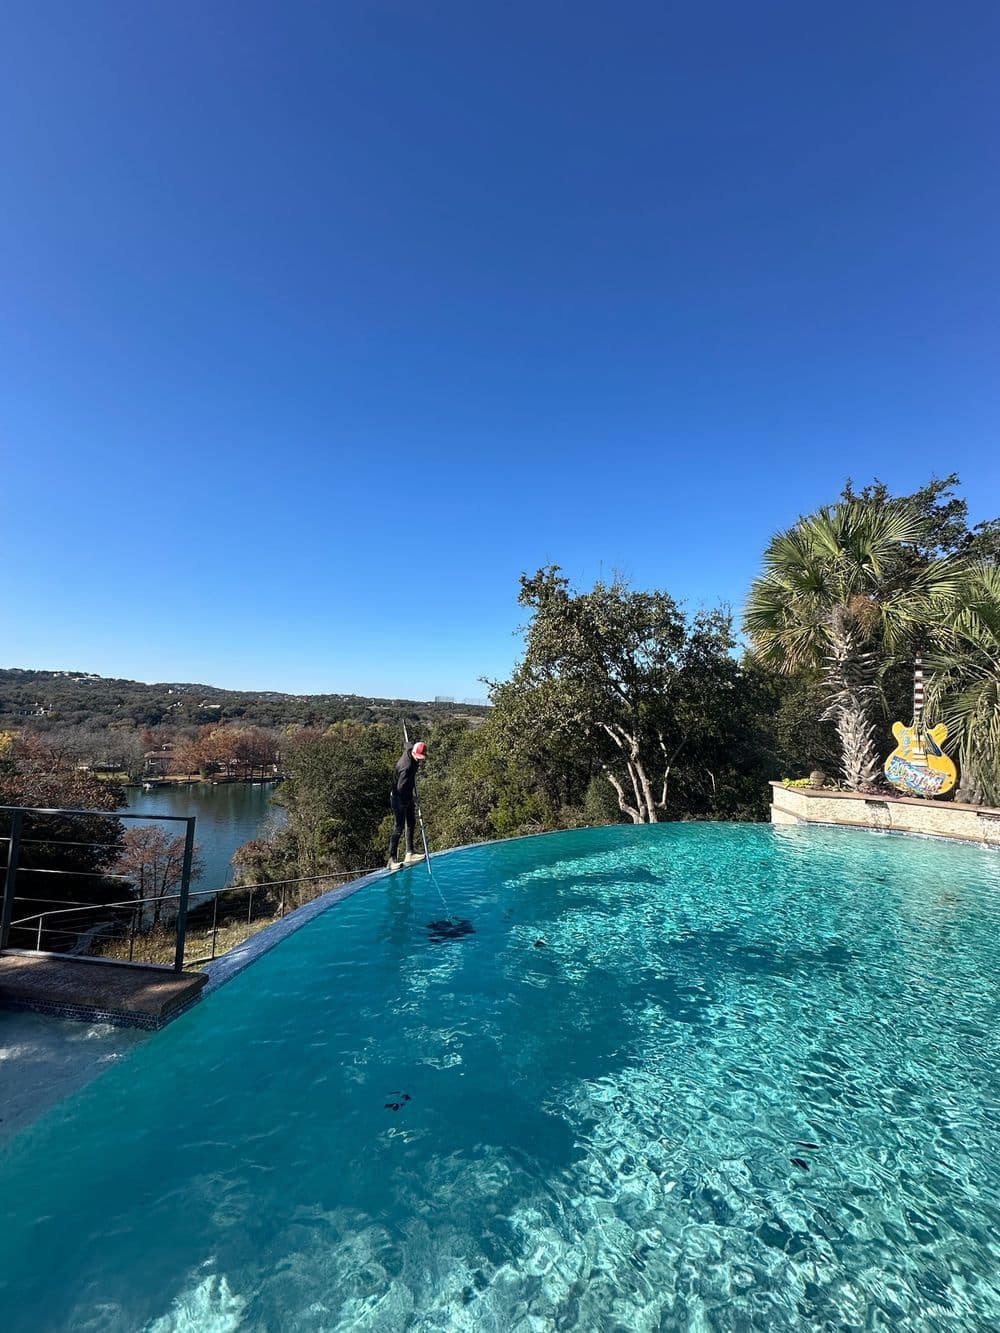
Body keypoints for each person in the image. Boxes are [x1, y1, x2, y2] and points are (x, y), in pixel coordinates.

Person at [388, 740, 427, 868]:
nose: (420, 760)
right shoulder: (407, 767)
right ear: (414, 753)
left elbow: (407, 744)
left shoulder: (411, 749)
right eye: (419, 757)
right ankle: (391, 860)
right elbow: (400, 789)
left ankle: (410, 853)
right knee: (399, 827)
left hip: (407, 794)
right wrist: (412, 798)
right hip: (399, 798)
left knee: (411, 821)